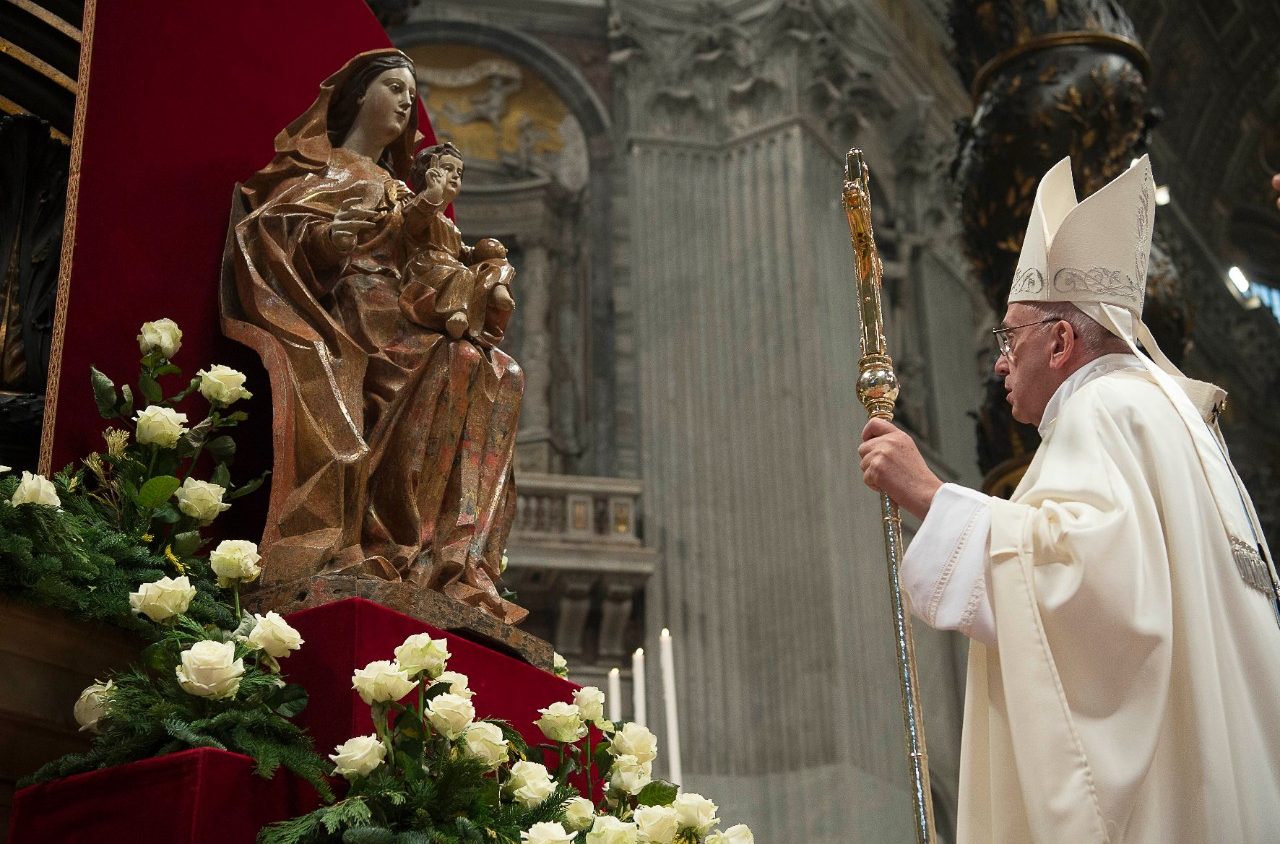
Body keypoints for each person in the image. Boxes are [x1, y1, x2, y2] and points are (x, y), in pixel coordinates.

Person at [859, 156, 1280, 842]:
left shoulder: (1106, 406)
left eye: (1009, 337)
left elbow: (1092, 583)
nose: (999, 360)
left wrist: (930, 495)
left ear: (1060, 340)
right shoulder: (1176, 423)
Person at [223, 49, 527, 624]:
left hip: (411, 306)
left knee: (502, 373)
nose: (407, 100)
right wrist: (328, 242)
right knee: (453, 360)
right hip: (354, 314)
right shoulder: (323, 170)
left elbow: (434, 252)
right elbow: (273, 236)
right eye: (394, 87)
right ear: (359, 94)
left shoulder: (402, 185)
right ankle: (394, 542)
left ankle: (454, 564)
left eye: (411, 93)